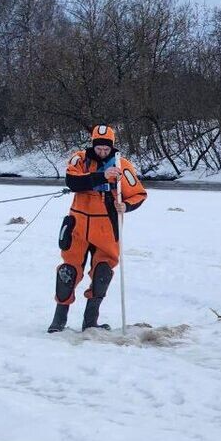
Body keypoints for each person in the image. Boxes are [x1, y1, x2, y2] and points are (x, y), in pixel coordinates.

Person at [48, 124, 147, 333]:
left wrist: (126, 206)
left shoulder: (123, 165)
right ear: (93, 145)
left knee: (103, 272)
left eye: (106, 148)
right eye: (99, 148)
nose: (102, 152)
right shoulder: (79, 159)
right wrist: (102, 176)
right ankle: (58, 321)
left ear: (112, 146)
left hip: (107, 226)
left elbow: (139, 194)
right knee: (68, 271)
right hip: (78, 223)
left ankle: (90, 321)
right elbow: (72, 181)